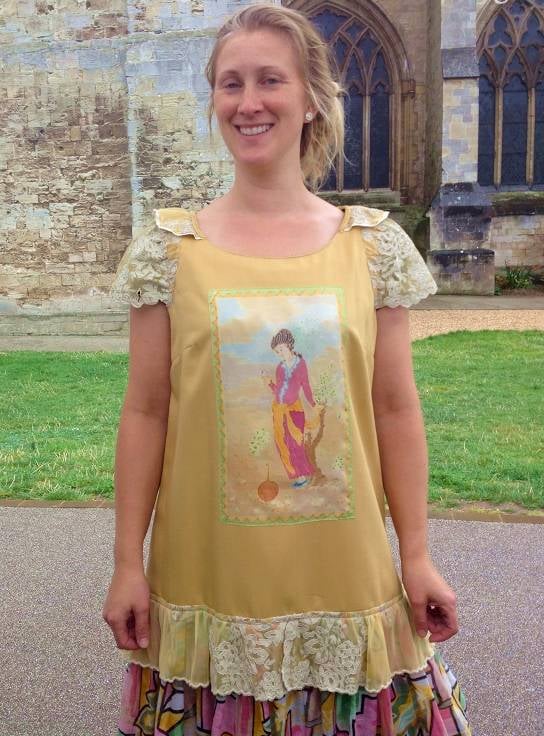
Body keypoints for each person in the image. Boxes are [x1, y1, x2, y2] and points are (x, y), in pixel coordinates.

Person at [103, 3, 472, 734]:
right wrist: (126, 564)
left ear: (311, 100)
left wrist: (418, 555)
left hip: (346, 581)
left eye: (270, 80)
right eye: (231, 83)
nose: (249, 102)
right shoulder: (169, 252)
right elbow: (146, 412)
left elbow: (395, 409)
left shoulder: (371, 247)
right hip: (210, 584)